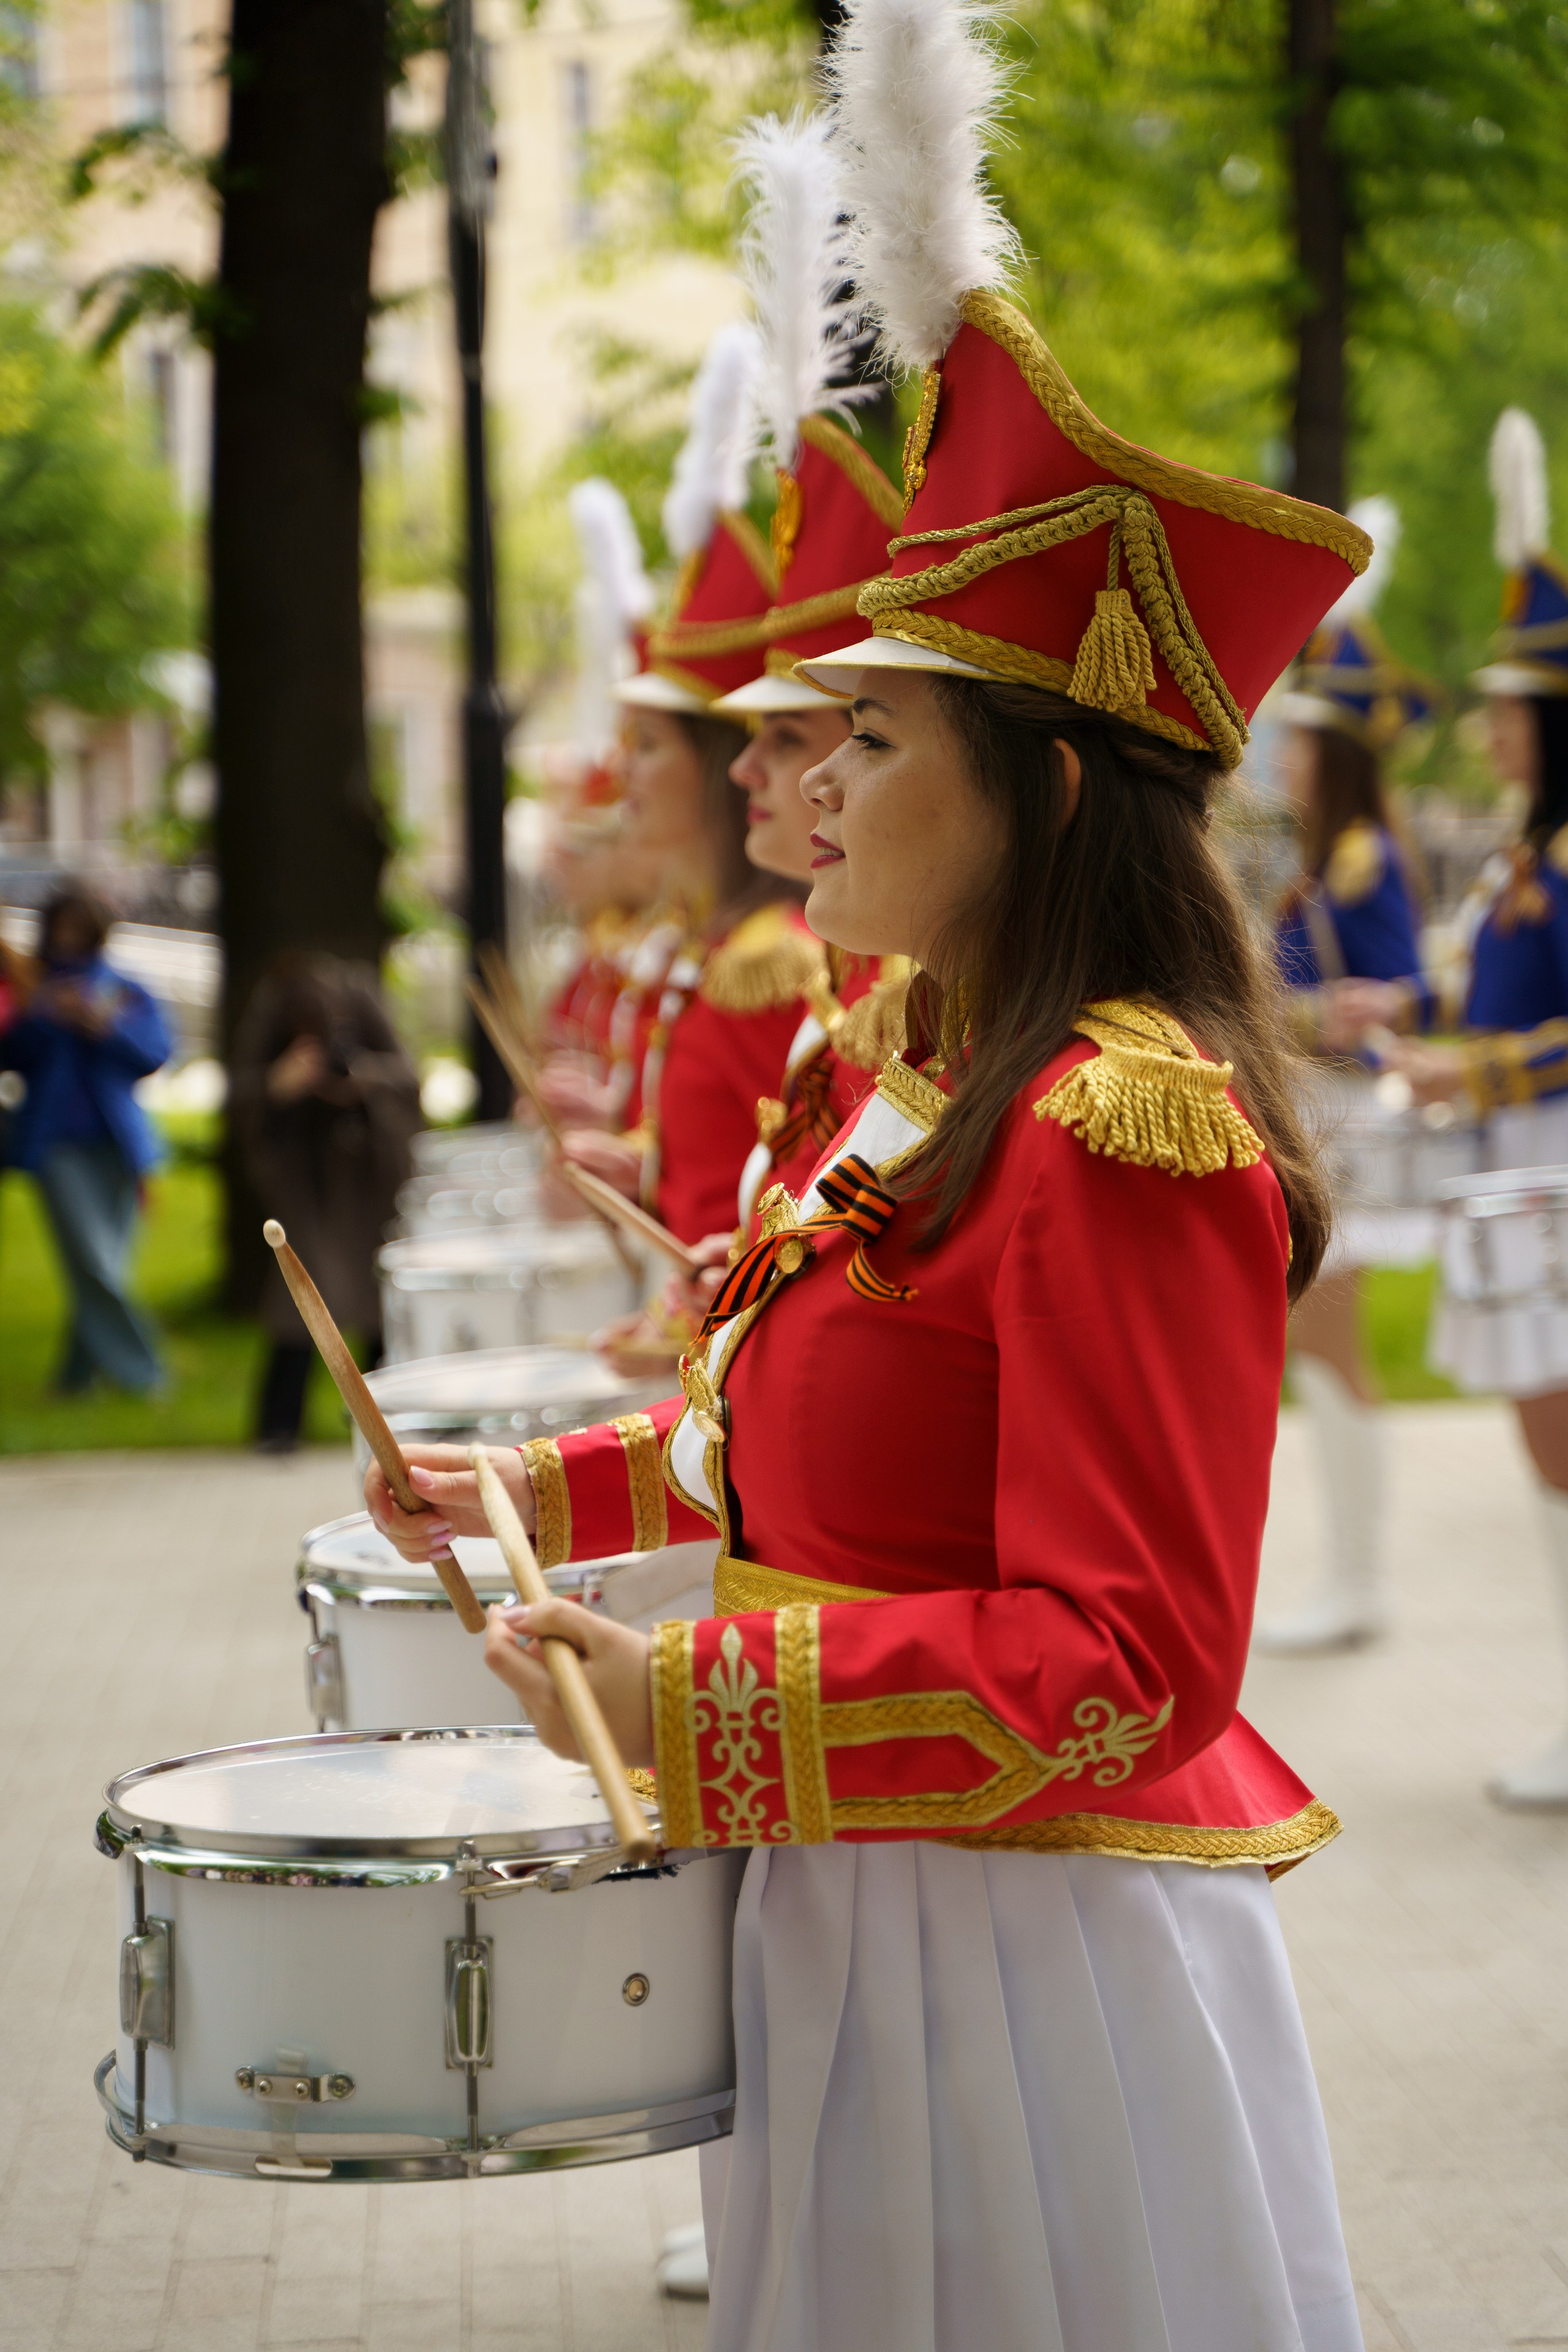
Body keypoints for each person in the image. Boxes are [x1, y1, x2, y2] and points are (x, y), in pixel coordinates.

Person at [367, 15, 1369, 2345]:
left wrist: (691, 1712)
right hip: (875, 1895)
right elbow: (788, 1455)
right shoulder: (951, 1090)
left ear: (1033, 792)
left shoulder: (1117, 1122)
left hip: (1027, 1957)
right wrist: (526, 1494)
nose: (792, 797)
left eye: (866, 740)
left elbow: (1130, 1659)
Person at [1388, 407, 1568, 1804]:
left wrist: (1478, 1068)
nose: (1486, 723)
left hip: (1552, 1156)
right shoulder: (1525, 850)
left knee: (1556, 1434)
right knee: (1538, 1430)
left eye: (1505, 705)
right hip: (1517, 1150)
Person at [552, 325, 823, 1249]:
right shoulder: (729, 947)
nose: (621, 769)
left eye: (650, 743)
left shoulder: (774, 958)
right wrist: (638, 1161)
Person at [1254, 505, 1438, 1653]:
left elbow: (1408, 988)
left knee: (1328, 1344)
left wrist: (1315, 1011)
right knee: (1315, 1347)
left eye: (1310, 741)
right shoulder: (1333, 860)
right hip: (1327, 1108)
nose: (1293, 756)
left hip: (1356, 1115)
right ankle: (1353, 1574)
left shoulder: (1368, 863)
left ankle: (1364, 1580)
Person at [231, 952, 421, 1450]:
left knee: (375, 1301)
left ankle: (395, 1423)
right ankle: (278, 1424)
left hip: (366, 1180)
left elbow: (406, 1075)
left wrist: (360, 1079)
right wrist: (281, 1082)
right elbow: (243, 1096)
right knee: (299, 1301)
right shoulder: (274, 1013)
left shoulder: (361, 1002)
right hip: (302, 1181)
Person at [0, 885, 170, 1394]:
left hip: (120, 1144)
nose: (68, 939)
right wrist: (45, 1016)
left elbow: (155, 1053)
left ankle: (75, 1381)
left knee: (102, 1268)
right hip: (57, 1146)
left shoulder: (125, 990)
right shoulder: (33, 990)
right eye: (60, 929)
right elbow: (11, 1055)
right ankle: (146, 1376)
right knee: (95, 1264)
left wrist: (103, 1027)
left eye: (78, 929)